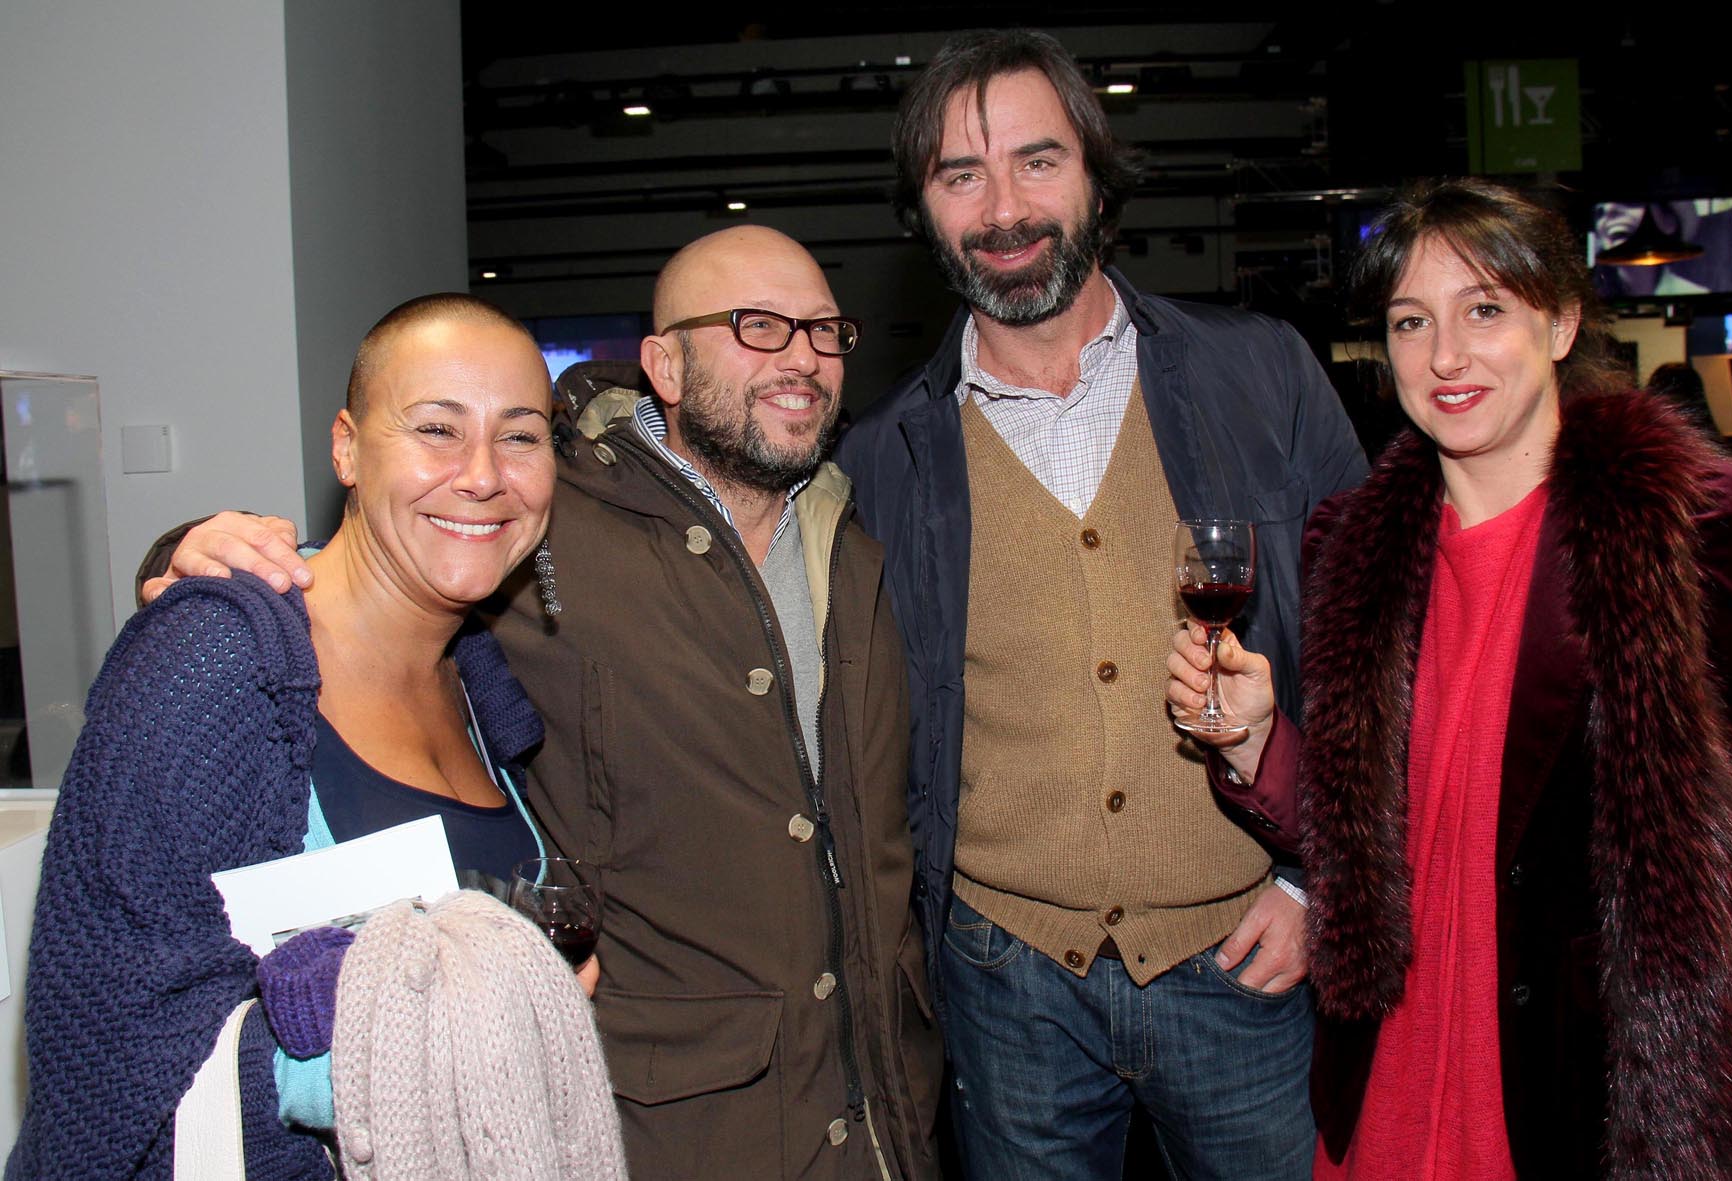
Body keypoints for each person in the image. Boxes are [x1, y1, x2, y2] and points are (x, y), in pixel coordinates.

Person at [139, 227, 943, 1179]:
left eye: (822, 331)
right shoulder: (548, 525)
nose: (801, 356)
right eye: (757, 326)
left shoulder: (856, 529)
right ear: (664, 365)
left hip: (879, 1113)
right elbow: (397, 559)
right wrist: (198, 555)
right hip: (674, 1129)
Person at [834, 29, 1368, 1179]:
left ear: (1094, 175)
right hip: (1003, 980)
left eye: (1037, 160)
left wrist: (1315, 878)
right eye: (958, 175)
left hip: (1242, 953)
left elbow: (1373, 652)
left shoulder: (1259, 372)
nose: (1004, 208)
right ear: (921, 209)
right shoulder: (878, 460)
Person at [1168, 178, 1732, 1177]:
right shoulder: (1354, 549)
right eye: (1411, 321)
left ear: (1562, 319)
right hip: (1388, 1080)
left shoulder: (1685, 522)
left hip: (1581, 1091)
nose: (1443, 355)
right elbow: (1363, 848)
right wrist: (1252, 741)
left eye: (1482, 309)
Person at [8, 294, 628, 1177]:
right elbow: (108, 1046)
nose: (484, 473)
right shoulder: (219, 660)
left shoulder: (481, 680)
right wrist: (448, 1036)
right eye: (437, 428)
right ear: (345, 446)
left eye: (520, 435)